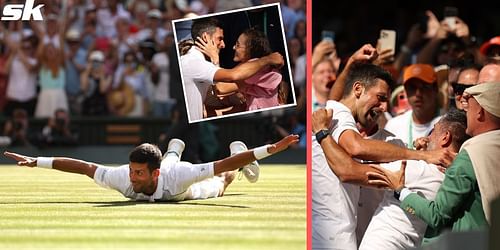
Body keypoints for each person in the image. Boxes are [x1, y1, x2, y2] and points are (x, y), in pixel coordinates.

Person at [312, 46, 454, 250]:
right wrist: (423, 156)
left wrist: (351, 62)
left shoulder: (390, 141)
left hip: (354, 236)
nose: (384, 107)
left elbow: (336, 100)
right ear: (358, 90)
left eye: (386, 100)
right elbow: (351, 158)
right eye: (380, 97)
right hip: (329, 238)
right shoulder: (337, 118)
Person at [4, 135, 298, 202]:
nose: (133, 177)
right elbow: (83, 166)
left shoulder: (179, 176)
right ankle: (172, 149)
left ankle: (243, 151)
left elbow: (222, 165)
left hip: (185, 189)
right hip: (166, 168)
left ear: (153, 174)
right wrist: (36, 161)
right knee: (168, 158)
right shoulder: (123, 177)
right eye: (133, 171)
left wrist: (269, 150)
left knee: (221, 182)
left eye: (139, 173)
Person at [372, 82, 500, 235]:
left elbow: (437, 216)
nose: (466, 113)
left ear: (479, 111)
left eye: (469, 108)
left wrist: (401, 190)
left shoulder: (470, 155)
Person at [358, 109, 469, 250]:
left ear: (445, 137)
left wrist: (322, 134)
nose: (427, 138)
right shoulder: (455, 180)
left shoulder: (416, 169)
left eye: (433, 131)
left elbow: (348, 171)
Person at [178, 17, 284, 122]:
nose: (230, 47)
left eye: (238, 45)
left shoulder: (257, 68)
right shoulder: (195, 62)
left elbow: (221, 88)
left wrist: (215, 60)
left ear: (250, 49)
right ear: (206, 38)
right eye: (220, 38)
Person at [385, 64, 442, 149]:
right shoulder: (393, 125)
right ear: (405, 91)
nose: (418, 93)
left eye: (424, 87)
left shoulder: (447, 123)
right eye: (412, 87)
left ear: (435, 89)